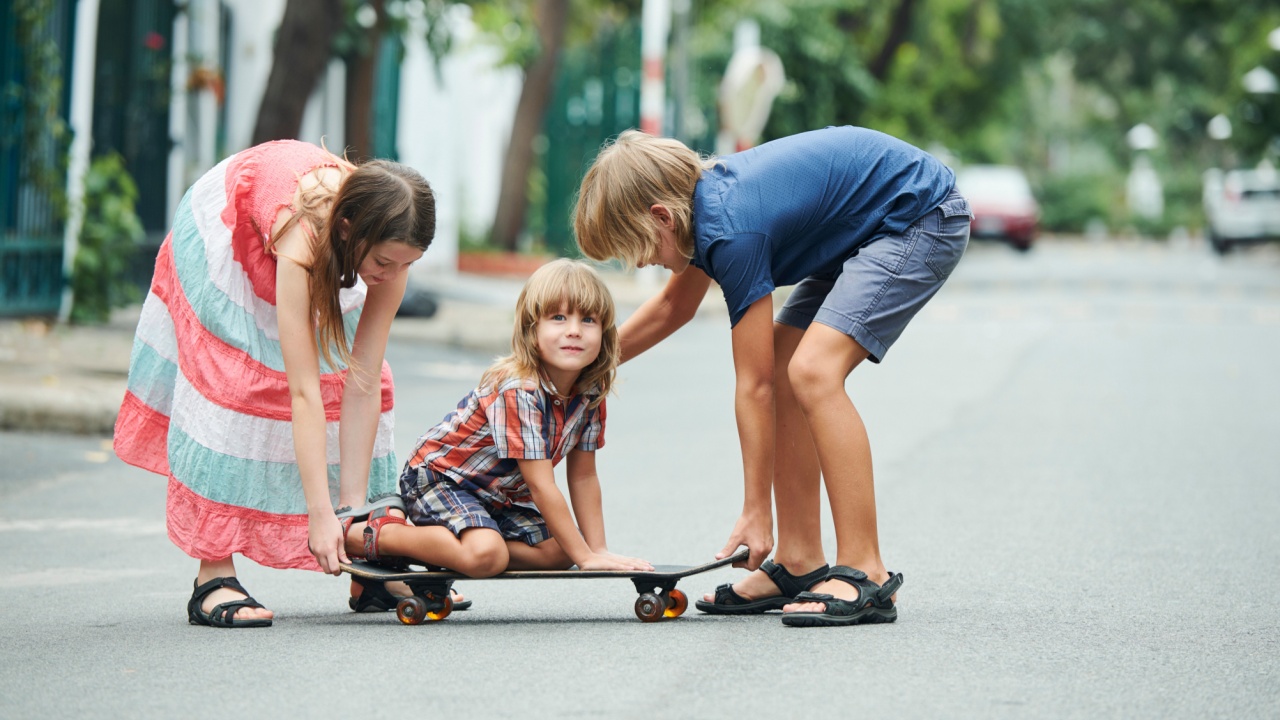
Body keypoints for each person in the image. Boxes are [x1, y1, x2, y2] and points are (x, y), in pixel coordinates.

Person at [573, 126, 970, 627]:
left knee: (812, 370)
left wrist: (755, 510)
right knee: (789, 365)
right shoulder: (702, 211)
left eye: (639, 250)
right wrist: (584, 370)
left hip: (919, 218)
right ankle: (799, 558)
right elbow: (674, 306)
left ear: (661, 217)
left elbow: (752, 386)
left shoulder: (732, 229)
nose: (642, 262)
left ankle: (866, 568)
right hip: (866, 228)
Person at [114, 139, 436, 628]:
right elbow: (302, 391)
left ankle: (365, 563)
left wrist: (346, 512)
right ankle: (212, 574)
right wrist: (318, 513)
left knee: (374, 380)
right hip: (230, 230)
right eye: (385, 264)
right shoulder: (304, 233)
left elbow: (363, 381)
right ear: (350, 230)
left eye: (406, 265)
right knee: (240, 387)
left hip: (327, 250)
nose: (391, 278)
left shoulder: (386, 250)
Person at [340, 259, 653, 578]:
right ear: (533, 331)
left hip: (500, 494)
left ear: (604, 332)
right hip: (440, 480)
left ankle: (459, 549)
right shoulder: (519, 390)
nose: (574, 330)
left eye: (588, 320)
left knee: (561, 551)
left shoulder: (590, 391)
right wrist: (585, 556)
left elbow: (584, 477)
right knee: (487, 556)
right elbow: (541, 485)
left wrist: (595, 551)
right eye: (558, 318)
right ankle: (377, 535)